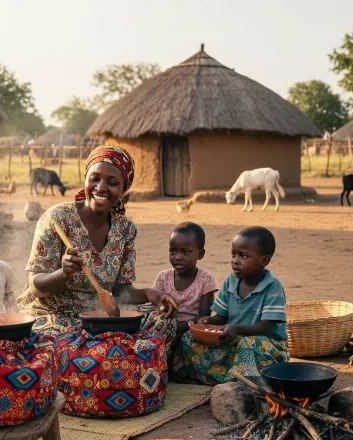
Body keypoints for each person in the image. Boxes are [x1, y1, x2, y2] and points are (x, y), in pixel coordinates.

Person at [17, 144, 177, 338]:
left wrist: (152, 294)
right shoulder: (57, 218)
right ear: (85, 179)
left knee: (163, 323)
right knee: (63, 342)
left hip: (99, 313)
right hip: (53, 314)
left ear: (123, 189)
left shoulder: (125, 229)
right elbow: (36, 287)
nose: (101, 188)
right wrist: (63, 273)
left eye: (112, 182)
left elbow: (121, 292)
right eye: (94, 179)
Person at [176, 226, 289, 384]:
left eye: (243, 256)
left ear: (264, 261)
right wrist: (209, 321)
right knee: (189, 338)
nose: (235, 261)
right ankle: (223, 377)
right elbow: (221, 317)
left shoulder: (272, 286)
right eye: (233, 254)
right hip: (234, 340)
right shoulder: (230, 281)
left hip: (267, 346)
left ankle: (247, 381)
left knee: (250, 344)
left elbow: (267, 327)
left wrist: (237, 329)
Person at [153, 222, 219, 360]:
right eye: (173, 251)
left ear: (200, 254)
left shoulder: (206, 279)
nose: (177, 257)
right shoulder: (163, 277)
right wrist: (167, 323)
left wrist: (181, 327)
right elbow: (155, 307)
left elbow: (204, 315)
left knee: (194, 342)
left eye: (185, 252)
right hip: (166, 326)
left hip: (190, 329)